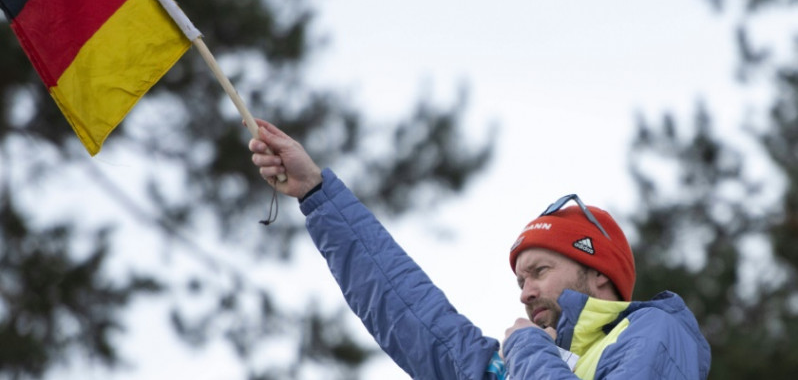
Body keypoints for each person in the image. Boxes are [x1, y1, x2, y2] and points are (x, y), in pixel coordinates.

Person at [248, 119, 711, 380]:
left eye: (540, 270)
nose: (525, 293)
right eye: (520, 280)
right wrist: (317, 194)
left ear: (600, 275)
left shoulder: (655, 331)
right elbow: (411, 313)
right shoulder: (519, 366)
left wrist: (528, 347)